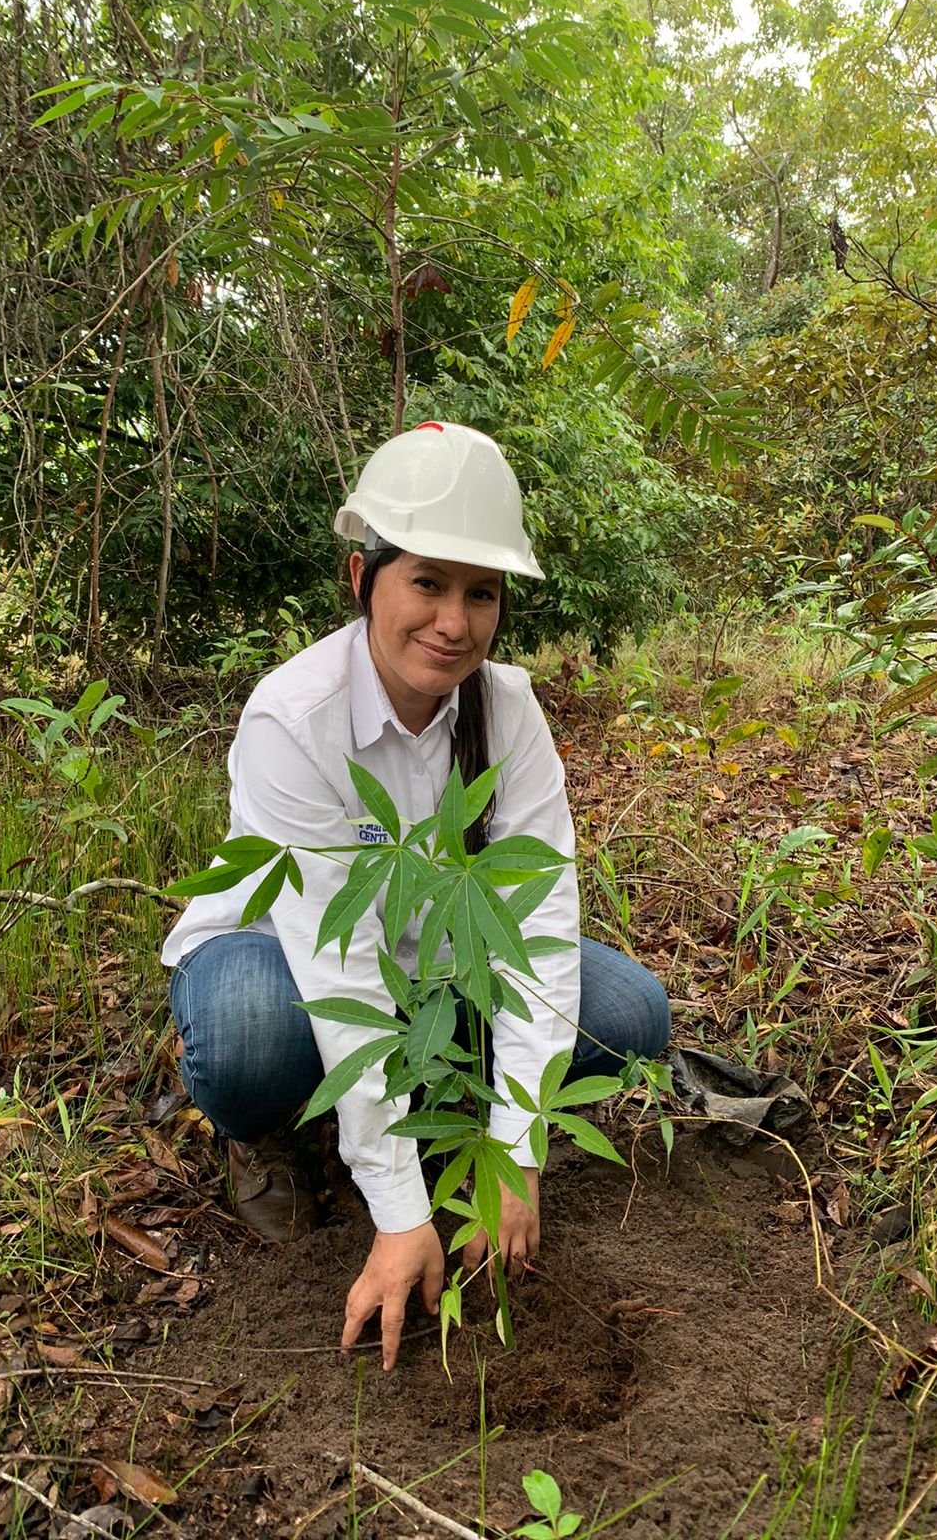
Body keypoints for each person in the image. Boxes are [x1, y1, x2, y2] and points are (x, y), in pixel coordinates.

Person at [161, 421, 671, 1369]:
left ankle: (455, 1120)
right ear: (364, 579)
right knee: (246, 1034)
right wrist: (399, 1214)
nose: (454, 623)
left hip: (438, 971)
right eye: (428, 583)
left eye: (481, 593)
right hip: (285, 961)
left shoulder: (508, 711)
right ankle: (270, 1138)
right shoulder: (294, 717)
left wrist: (516, 1148)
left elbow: (539, 921)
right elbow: (338, 966)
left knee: (630, 1014)